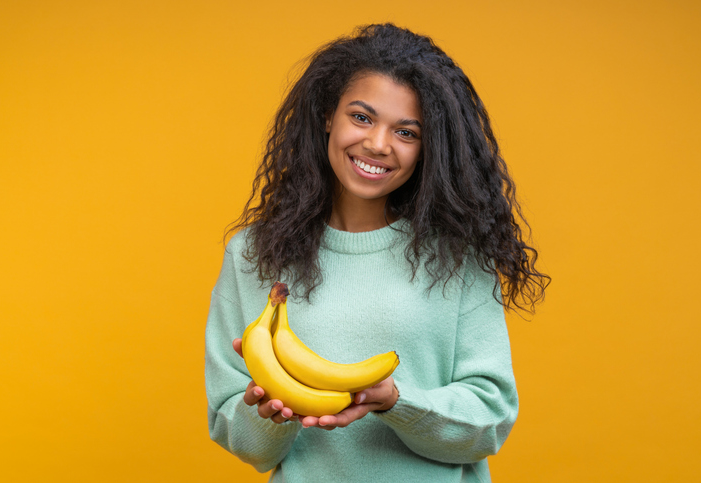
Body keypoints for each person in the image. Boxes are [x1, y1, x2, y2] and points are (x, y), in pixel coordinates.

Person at [205, 23, 549, 482]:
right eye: (362, 117)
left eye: (407, 132)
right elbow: (241, 440)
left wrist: (396, 401)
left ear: (428, 148)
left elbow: (490, 422)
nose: (379, 144)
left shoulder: (457, 259)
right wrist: (269, 412)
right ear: (329, 115)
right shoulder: (252, 254)